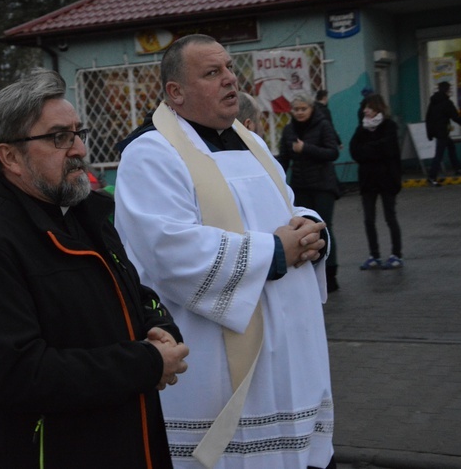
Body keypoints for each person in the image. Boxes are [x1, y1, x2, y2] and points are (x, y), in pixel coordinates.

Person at [0, 69, 189, 468]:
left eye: (77, 133)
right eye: (58, 137)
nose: (78, 149)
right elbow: (20, 375)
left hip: (129, 438)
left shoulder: (90, 217)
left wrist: (163, 331)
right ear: (9, 157)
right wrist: (146, 363)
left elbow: (137, 295)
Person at [115, 34, 335, 468]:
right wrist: (273, 252)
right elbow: (168, 248)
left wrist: (312, 231)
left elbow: (285, 205)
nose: (231, 80)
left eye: (230, 69)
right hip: (219, 352)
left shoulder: (248, 142)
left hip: (291, 346)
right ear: (175, 92)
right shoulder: (151, 152)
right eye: (212, 73)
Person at [278, 92, 341, 292]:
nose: (299, 113)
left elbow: (333, 152)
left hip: (323, 185)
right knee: (304, 229)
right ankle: (309, 272)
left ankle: (330, 273)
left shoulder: (322, 125)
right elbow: (283, 159)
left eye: (303, 109)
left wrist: (306, 148)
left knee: (324, 227)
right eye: (296, 109)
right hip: (301, 185)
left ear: (311, 109)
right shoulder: (289, 130)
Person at [350, 94, 403, 270]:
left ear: (378, 109)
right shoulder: (361, 129)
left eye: (369, 107)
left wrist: (369, 151)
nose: (366, 110)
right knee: (368, 219)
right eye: (365, 107)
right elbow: (355, 151)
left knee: (390, 217)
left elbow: (389, 150)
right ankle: (374, 255)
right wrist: (375, 149)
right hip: (367, 181)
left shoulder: (389, 126)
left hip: (387, 180)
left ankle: (396, 254)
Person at [425, 81, 461, 186]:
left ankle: (458, 168)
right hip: (442, 131)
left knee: (451, 146)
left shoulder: (433, 102)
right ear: (447, 90)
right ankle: (432, 177)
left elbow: (428, 118)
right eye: (449, 89)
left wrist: (430, 133)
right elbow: (455, 116)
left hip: (437, 131)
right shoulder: (446, 103)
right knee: (439, 154)